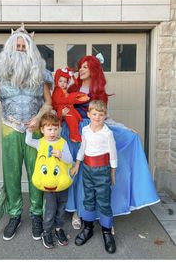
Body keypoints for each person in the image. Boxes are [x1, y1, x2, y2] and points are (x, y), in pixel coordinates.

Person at [60, 54, 160, 231]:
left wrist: (124, 128)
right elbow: (60, 107)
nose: (81, 69)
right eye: (80, 66)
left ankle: (93, 212)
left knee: (91, 173)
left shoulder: (99, 93)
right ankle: (77, 210)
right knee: (77, 171)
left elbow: (106, 117)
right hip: (74, 132)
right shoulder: (71, 88)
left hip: (94, 131)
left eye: (86, 67)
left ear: (94, 70)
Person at [0, 24, 53, 241]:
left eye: (23, 46)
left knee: (36, 174)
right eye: (17, 45)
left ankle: (37, 214)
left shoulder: (40, 75)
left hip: (34, 132)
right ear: (11, 48)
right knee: (11, 174)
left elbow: (49, 103)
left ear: (30, 50)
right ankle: (15, 214)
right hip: (9, 129)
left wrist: (38, 118)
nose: (20, 48)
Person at [71, 100, 117, 253]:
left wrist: (112, 173)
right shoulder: (85, 130)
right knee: (88, 198)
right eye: (94, 114)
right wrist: (77, 164)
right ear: (89, 114)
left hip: (102, 170)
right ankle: (88, 228)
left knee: (104, 200)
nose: (97, 117)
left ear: (105, 116)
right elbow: (82, 148)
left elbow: (113, 154)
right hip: (87, 169)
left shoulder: (107, 133)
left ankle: (106, 232)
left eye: (101, 114)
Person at [26, 113, 73, 249]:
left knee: (61, 208)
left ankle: (58, 229)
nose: (53, 132)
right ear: (42, 130)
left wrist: (61, 155)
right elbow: (28, 141)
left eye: (55, 128)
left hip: (62, 184)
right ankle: (46, 231)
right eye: (49, 129)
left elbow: (69, 159)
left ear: (59, 128)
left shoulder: (62, 143)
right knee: (50, 210)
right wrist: (29, 130)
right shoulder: (40, 143)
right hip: (49, 186)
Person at [52, 67, 89, 142]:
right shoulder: (57, 91)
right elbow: (60, 101)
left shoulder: (65, 90)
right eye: (60, 81)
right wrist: (72, 98)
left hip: (66, 108)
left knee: (74, 117)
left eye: (65, 82)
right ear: (56, 81)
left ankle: (75, 134)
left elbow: (67, 98)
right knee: (71, 119)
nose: (62, 83)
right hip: (60, 109)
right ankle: (74, 135)